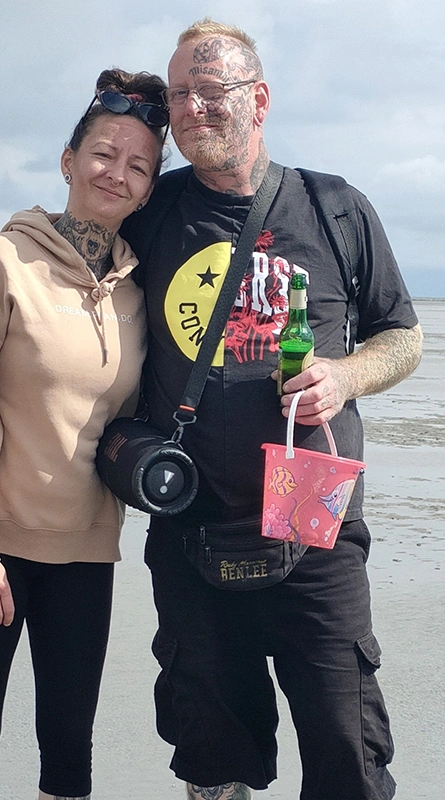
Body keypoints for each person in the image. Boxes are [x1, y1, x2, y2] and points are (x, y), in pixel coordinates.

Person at [121, 18, 423, 800]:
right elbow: (70, 255)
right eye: (178, 94)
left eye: (209, 90)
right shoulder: (154, 207)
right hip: (190, 522)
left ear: (257, 98)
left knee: (345, 748)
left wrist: (346, 375)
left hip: (312, 524)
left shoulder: (334, 207)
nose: (191, 108)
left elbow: (403, 336)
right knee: (211, 758)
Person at [0, 67, 168, 800]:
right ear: (68, 161)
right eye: (102, 153)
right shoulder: (1, 262)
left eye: (137, 165)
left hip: (86, 554)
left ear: (150, 188)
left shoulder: (135, 288)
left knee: (69, 751)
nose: (115, 174)